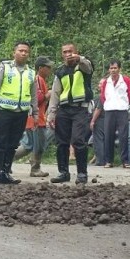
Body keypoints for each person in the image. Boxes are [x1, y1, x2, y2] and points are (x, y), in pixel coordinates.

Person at [0, 41, 38, 184]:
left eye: (26, 51)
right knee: (0, 142)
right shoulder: (4, 67)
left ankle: (6, 172)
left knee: (13, 143)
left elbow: (33, 95)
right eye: (20, 50)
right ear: (14, 52)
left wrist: (35, 113)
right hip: (4, 110)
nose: (23, 53)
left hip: (21, 112)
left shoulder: (31, 73)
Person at [47, 43, 94, 184]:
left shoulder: (84, 66)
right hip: (64, 109)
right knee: (61, 142)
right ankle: (63, 172)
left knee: (79, 140)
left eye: (70, 51)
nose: (68, 54)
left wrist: (79, 58)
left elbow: (88, 66)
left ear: (76, 52)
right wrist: (51, 113)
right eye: (65, 52)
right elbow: (55, 93)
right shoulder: (60, 71)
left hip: (81, 108)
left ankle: (82, 174)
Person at [91, 60, 130, 168]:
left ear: (119, 69)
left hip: (122, 110)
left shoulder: (125, 80)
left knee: (123, 136)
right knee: (108, 135)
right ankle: (108, 161)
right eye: (111, 68)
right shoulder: (106, 82)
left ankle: (125, 161)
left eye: (115, 68)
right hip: (109, 110)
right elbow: (103, 96)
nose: (113, 70)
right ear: (109, 69)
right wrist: (108, 104)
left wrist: (124, 104)